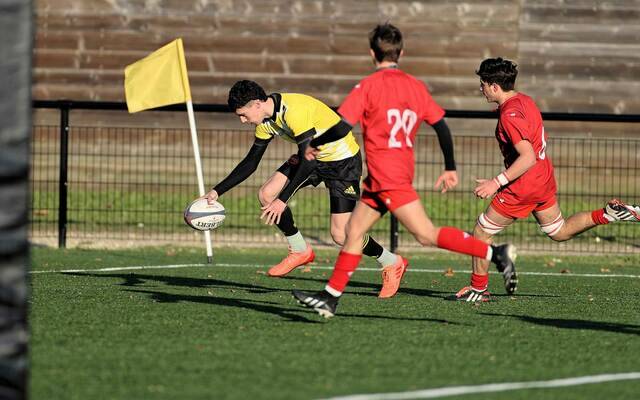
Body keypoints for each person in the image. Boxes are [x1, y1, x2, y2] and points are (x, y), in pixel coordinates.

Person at [292, 23, 517, 318]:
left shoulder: (369, 86)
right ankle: (330, 298)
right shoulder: (415, 86)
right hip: (386, 176)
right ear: (402, 52)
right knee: (354, 231)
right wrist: (450, 166)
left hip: (388, 176)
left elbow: (343, 125)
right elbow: (441, 126)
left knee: (426, 234)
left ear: (372, 53)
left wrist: (315, 143)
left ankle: (495, 254)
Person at [453, 57, 640, 302]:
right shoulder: (525, 101)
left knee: (481, 231)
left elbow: (527, 156)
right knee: (559, 231)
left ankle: (479, 289)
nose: (481, 89)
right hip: (543, 179)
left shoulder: (509, 115)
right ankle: (607, 214)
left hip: (523, 185)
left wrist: (495, 182)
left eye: (483, 84)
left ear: (495, 86)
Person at [204, 80, 408, 294]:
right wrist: (217, 191)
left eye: (243, 115)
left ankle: (391, 262)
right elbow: (251, 162)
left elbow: (308, 161)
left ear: (256, 104)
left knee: (340, 235)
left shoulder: (294, 111)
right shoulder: (264, 121)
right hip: (310, 158)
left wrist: (282, 201)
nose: (243, 121)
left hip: (342, 161)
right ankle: (300, 250)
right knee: (267, 194)